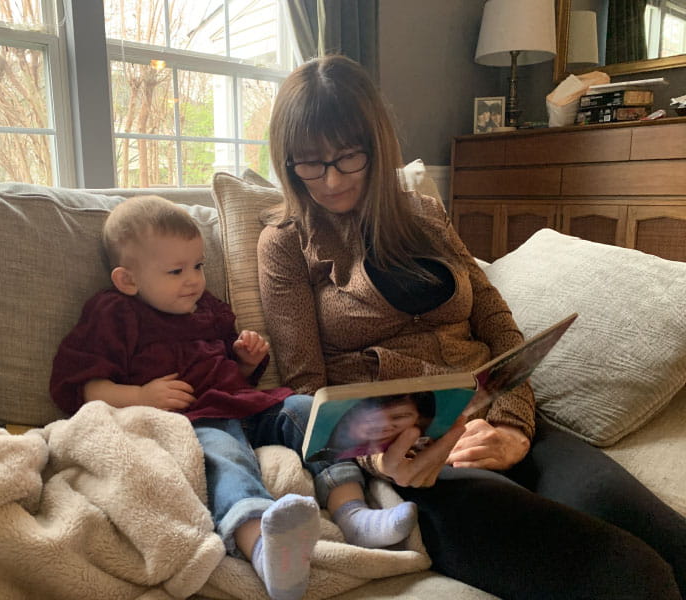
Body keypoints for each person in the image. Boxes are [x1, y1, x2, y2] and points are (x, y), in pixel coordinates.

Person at [257, 54, 686, 600]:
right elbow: (305, 390)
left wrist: (511, 425)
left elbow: (502, 330)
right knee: (633, 579)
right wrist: (374, 453)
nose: (332, 180)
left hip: (499, 410)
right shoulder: (284, 243)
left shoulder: (426, 217)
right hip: (409, 450)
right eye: (309, 164)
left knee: (670, 542)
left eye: (348, 157)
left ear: (378, 146)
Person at [49, 195, 418, 600]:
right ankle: (261, 545)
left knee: (309, 409)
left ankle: (355, 515)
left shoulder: (204, 307)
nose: (193, 279)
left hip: (243, 403)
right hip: (197, 419)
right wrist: (140, 395)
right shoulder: (114, 314)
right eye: (176, 271)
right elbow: (82, 387)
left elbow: (229, 371)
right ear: (128, 280)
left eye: (198, 266)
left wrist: (244, 360)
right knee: (226, 455)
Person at [310, 392, 435, 462]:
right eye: (371, 419)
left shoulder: (421, 442)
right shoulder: (343, 453)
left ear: (419, 419)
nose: (383, 426)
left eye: (399, 417)